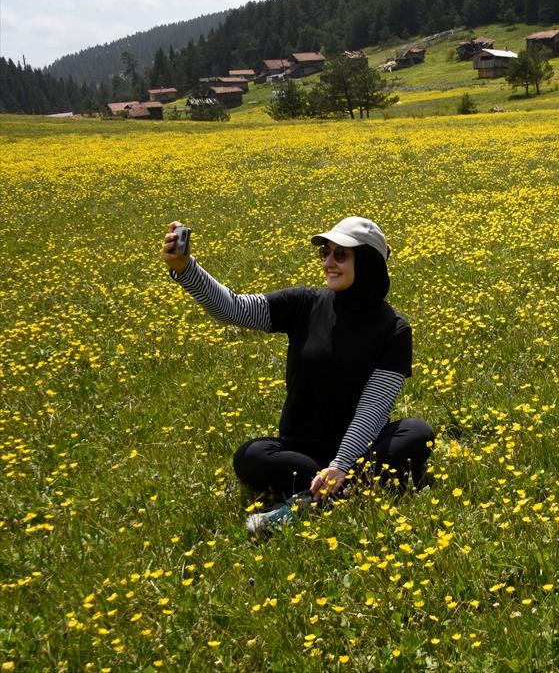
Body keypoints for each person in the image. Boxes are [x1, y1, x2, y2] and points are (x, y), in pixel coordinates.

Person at [161, 217, 435, 536]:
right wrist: (185, 268)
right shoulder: (304, 304)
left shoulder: (394, 330)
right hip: (299, 451)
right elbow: (232, 309)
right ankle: (342, 490)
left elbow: (373, 409)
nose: (328, 263)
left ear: (369, 262)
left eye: (340, 255)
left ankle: (310, 499)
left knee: (418, 432)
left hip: (359, 449)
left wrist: (341, 464)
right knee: (250, 456)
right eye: (325, 253)